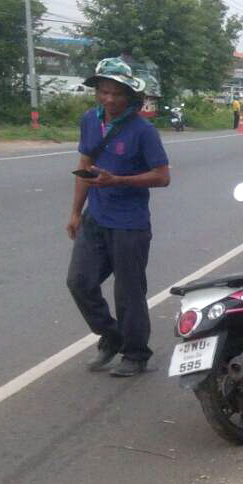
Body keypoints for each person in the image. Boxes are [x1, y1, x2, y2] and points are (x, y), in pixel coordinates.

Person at [66, 58, 171, 377]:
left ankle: (136, 354)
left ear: (129, 96)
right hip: (95, 218)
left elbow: (162, 176)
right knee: (79, 282)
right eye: (104, 92)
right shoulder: (90, 120)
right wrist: (75, 212)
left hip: (129, 224)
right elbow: (85, 165)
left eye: (117, 93)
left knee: (128, 293)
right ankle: (111, 336)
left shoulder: (143, 131)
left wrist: (119, 180)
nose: (109, 99)